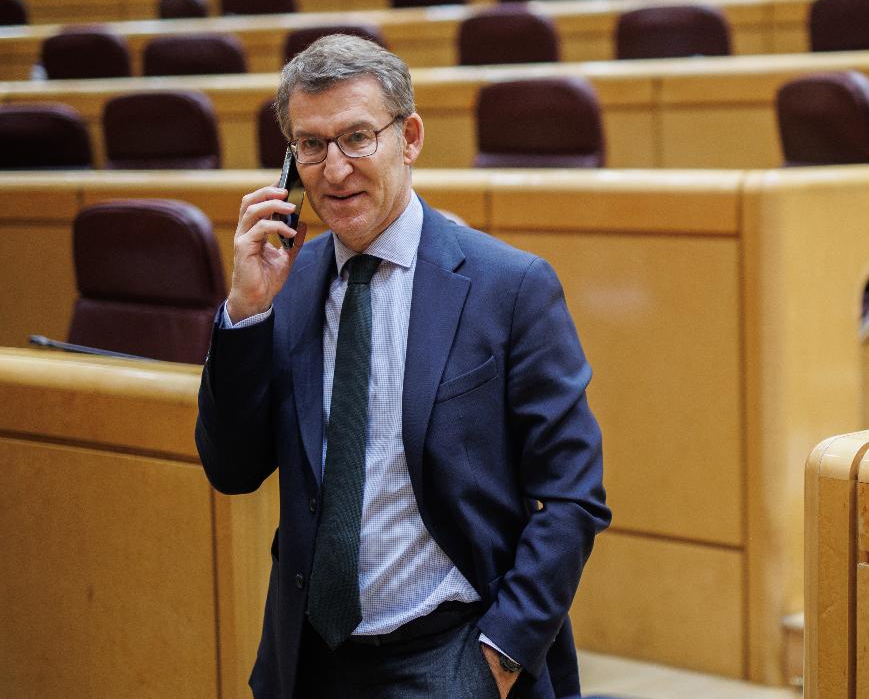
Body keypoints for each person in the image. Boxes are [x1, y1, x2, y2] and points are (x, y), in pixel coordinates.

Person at [195, 34, 610, 699]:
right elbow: (233, 468)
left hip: (452, 653)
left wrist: (497, 660)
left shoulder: (509, 287)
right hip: (309, 661)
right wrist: (244, 314)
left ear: (409, 137)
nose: (333, 171)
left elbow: (571, 496)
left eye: (357, 137)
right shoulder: (289, 289)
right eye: (311, 144)